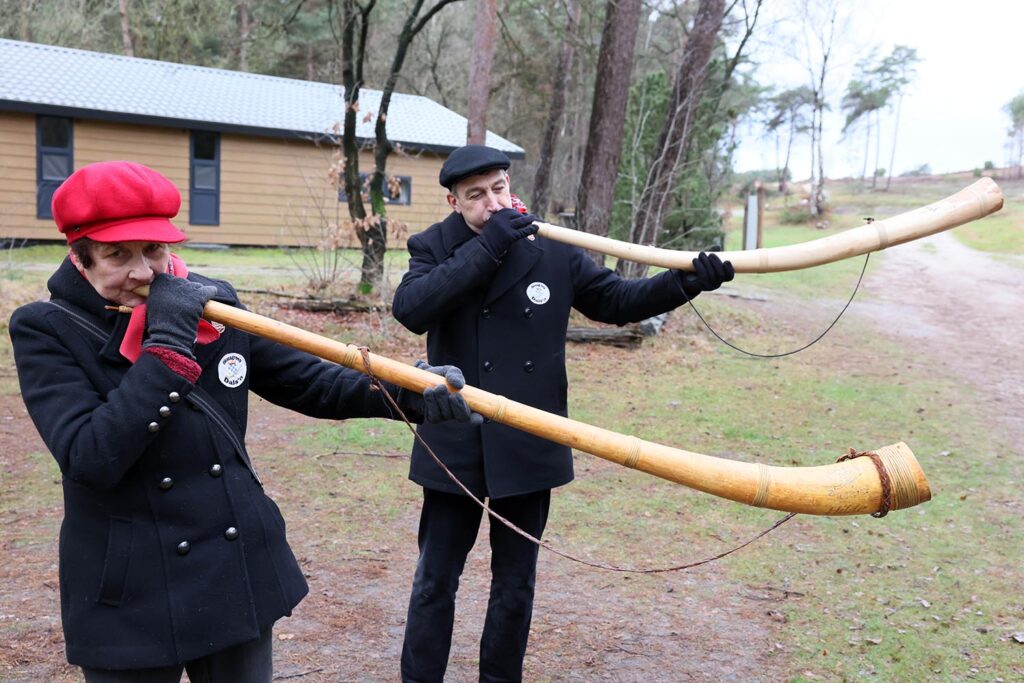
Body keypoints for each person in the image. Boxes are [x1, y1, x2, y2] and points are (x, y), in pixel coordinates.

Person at [8, 160, 476, 682]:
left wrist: (407, 391)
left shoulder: (207, 302)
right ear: (81, 258)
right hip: (128, 587)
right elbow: (90, 456)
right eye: (118, 255)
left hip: (231, 570)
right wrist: (165, 345)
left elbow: (308, 380)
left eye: (154, 251)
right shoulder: (45, 329)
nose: (143, 272)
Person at [392, 144, 735, 682]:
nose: (492, 202)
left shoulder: (550, 247)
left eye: (499, 188)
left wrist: (687, 280)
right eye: (476, 196)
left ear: (510, 183)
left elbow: (616, 301)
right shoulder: (433, 246)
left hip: (530, 436)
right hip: (455, 438)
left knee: (515, 584)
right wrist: (488, 248)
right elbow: (411, 310)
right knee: (436, 579)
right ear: (455, 201)